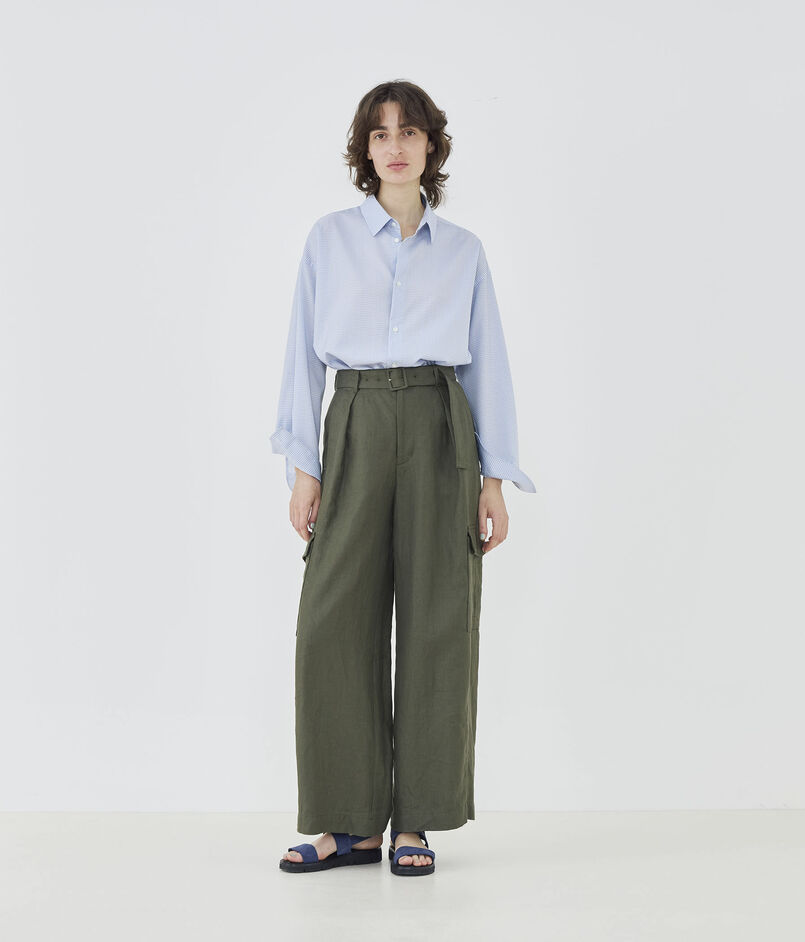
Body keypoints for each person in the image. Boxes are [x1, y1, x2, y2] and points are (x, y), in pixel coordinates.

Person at [271, 80, 535, 876]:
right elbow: (300, 354)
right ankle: (348, 823)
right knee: (333, 620)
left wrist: (494, 478)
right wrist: (303, 468)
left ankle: (414, 819)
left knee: (436, 618)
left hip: (436, 420)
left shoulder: (463, 251)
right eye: (380, 133)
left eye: (409, 132)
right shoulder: (328, 239)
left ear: (430, 147)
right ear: (364, 149)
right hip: (352, 417)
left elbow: (486, 363)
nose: (394, 145)